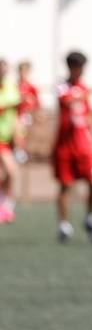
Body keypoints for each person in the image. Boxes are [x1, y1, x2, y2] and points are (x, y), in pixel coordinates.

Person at [54, 51, 92, 244]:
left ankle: (90, 218)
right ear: (72, 67)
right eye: (80, 68)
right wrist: (87, 92)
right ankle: (64, 225)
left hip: (84, 145)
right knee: (66, 185)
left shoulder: (83, 88)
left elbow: (89, 116)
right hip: (66, 145)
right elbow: (67, 101)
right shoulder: (62, 86)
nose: (82, 72)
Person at [0, 59, 18, 224]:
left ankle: (4, 205)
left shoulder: (10, 86)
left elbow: (15, 110)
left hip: (6, 138)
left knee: (8, 173)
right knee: (9, 171)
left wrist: (17, 133)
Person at [15, 60, 40, 164]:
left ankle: (23, 152)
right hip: (17, 115)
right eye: (21, 72)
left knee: (25, 135)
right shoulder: (15, 86)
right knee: (18, 132)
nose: (23, 74)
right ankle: (19, 152)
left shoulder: (32, 87)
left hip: (28, 115)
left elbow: (37, 103)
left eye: (25, 72)